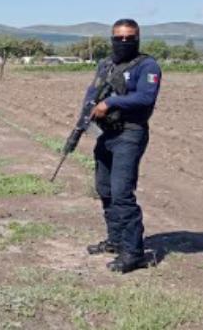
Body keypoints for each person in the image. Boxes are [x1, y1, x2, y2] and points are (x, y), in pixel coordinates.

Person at [83, 19, 162, 273]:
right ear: (112, 39)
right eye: (120, 38)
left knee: (121, 193)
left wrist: (112, 103)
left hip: (130, 133)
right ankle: (116, 240)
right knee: (104, 189)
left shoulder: (147, 66)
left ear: (138, 38)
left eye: (130, 38)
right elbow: (92, 92)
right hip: (106, 134)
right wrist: (87, 113)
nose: (124, 42)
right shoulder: (106, 64)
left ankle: (134, 252)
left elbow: (145, 96)